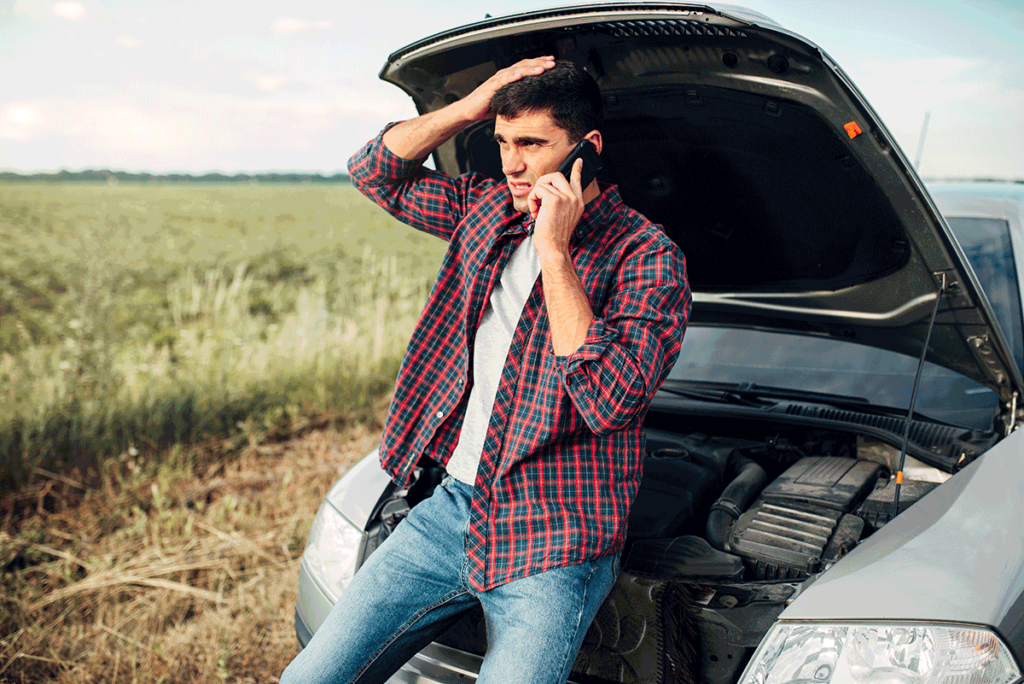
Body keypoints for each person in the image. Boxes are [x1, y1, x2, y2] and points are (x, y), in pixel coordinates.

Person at [280, 56, 691, 684]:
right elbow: (375, 172)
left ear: (589, 150)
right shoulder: (485, 207)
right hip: (450, 508)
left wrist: (554, 250)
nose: (512, 164)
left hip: (557, 536)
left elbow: (609, 399)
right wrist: (471, 106)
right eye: (501, 143)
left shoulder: (646, 255)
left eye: (531, 144)